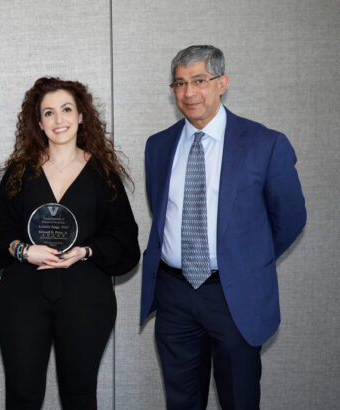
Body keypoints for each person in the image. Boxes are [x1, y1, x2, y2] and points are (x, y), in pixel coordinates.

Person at [140, 45, 307, 409]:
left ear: (222, 83)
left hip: (234, 296)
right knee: (181, 400)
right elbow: (162, 212)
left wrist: (244, 261)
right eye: (180, 84)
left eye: (199, 80)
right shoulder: (159, 146)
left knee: (239, 398)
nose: (188, 93)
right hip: (174, 294)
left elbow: (290, 218)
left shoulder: (264, 143)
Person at [0, 77, 139, 409]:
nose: (59, 120)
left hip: (86, 298)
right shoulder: (19, 173)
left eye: (67, 109)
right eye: (49, 113)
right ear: (38, 123)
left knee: (80, 396)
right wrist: (24, 250)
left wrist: (86, 250)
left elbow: (125, 242)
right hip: (21, 297)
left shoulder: (103, 174)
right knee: (22, 396)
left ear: (82, 115)